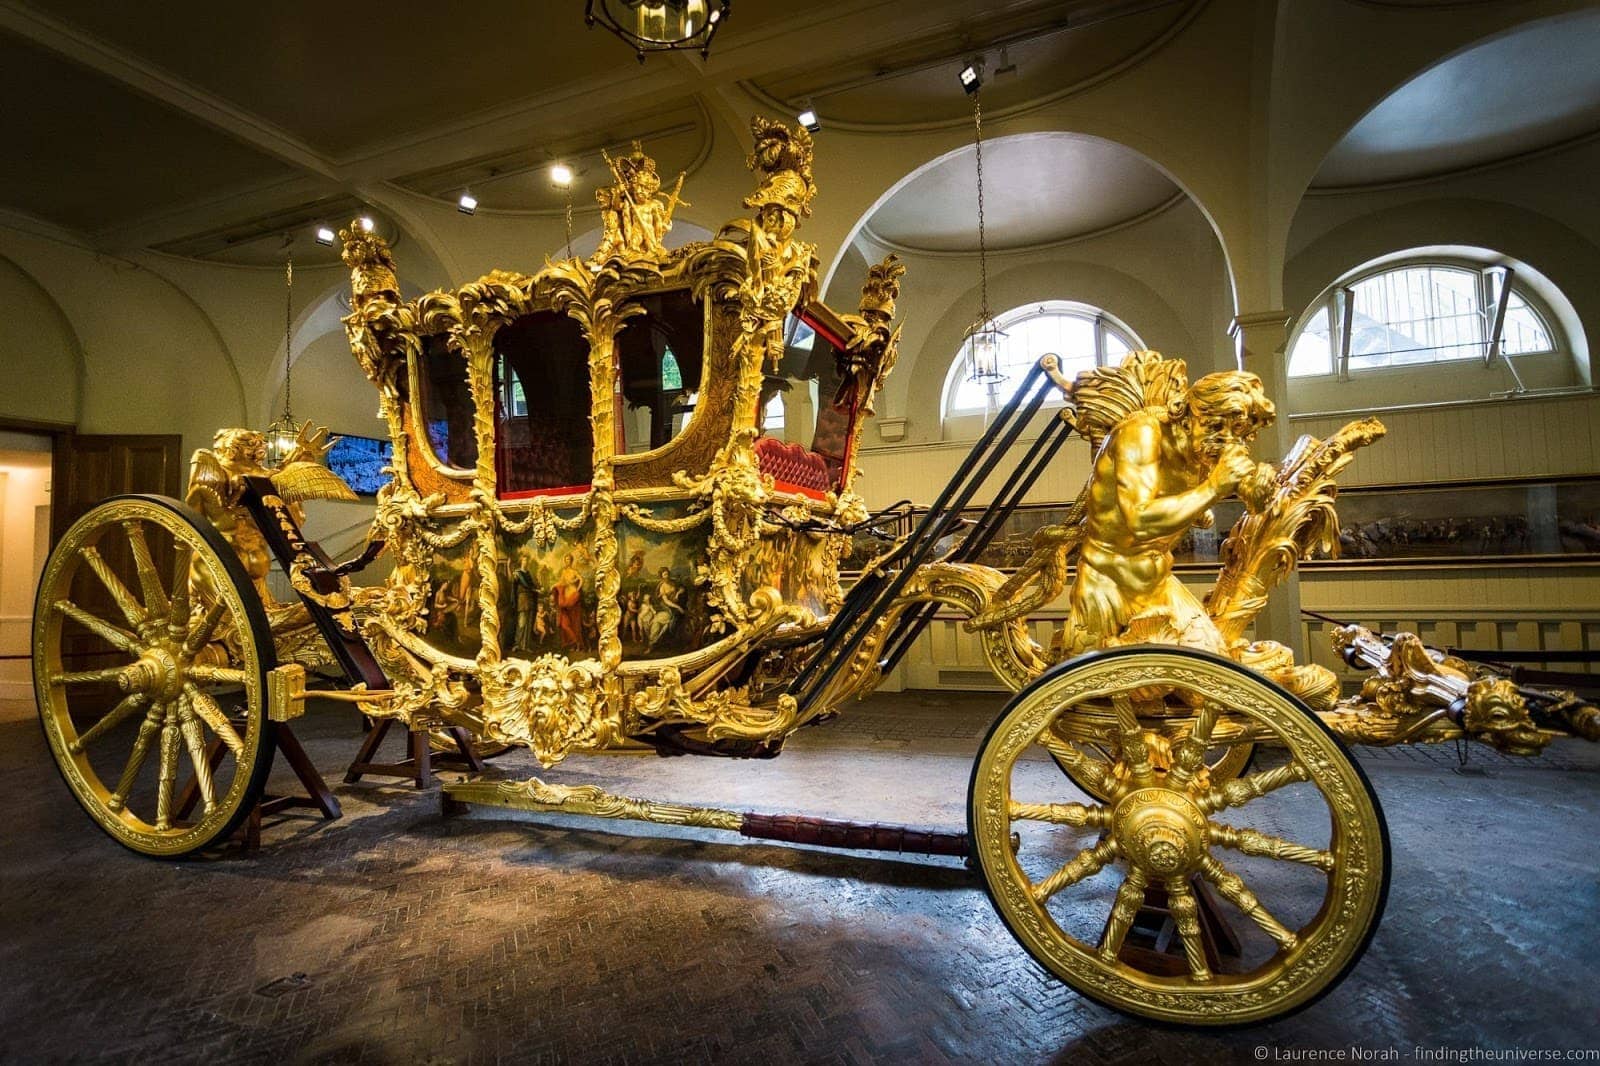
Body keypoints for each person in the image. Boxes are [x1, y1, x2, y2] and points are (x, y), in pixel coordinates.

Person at [1057, 370, 1275, 659]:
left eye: (1239, 431)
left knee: (1210, 672)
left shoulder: (1208, 445)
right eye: (1216, 427)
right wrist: (1212, 489)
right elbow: (1138, 519)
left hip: (1159, 584)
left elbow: (1245, 496)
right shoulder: (1141, 434)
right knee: (1119, 692)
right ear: (1187, 415)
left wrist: (1259, 489)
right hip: (1107, 589)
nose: (1228, 440)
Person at [554, 551, 586, 653]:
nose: (567, 561)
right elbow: (561, 582)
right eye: (566, 559)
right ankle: (573, 643)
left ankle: (578, 644)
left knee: (574, 622)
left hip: (572, 596)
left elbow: (581, 579)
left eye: (569, 559)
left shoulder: (574, 571)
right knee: (566, 624)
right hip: (565, 597)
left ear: (571, 561)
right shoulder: (563, 572)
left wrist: (577, 589)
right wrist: (554, 586)